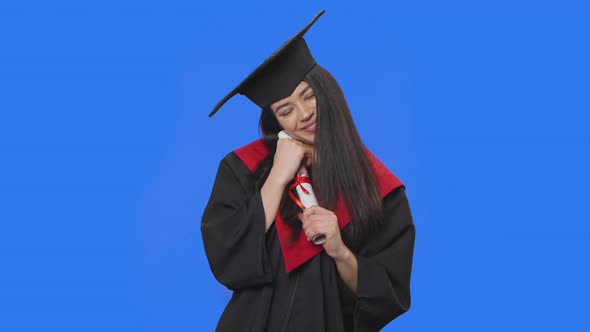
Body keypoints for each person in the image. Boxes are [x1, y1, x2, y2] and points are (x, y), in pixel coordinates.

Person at [201, 10, 415, 332]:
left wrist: (340, 251)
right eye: (286, 110)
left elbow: (387, 294)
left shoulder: (378, 187)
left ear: (326, 91)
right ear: (276, 120)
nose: (303, 114)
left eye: (308, 96)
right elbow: (227, 259)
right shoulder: (241, 169)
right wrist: (276, 177)